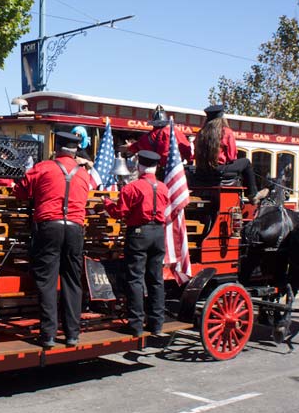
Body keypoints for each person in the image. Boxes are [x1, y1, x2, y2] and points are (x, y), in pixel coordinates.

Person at [14, 131, 92, 348]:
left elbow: (20, 191)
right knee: (72, 281)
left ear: (56, 148)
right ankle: (72, 334)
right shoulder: (84, 174)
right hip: (75, 228)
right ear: (75, 150)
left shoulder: (43, 167)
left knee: (47, 281)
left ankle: (48, 334)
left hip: (49, 226)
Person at [101, 150, 169, 337]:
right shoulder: (163, 188)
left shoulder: (133, 187)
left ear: (140, 166)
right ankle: (156, 323)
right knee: (156, 279)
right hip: (158, 234)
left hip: (139, 234)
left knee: (135, 278)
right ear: (155, 167)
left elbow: (119, 212)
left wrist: (106, 203)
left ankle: (136, 324)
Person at [193, 104, 263, 203]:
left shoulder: (201, 133)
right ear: (222, 117)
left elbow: (195, 154)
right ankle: (252, 194)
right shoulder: (226, 132)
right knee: (246, 162)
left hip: (202, 171)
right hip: (219, 170)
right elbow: (231, 157)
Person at [126, 105, 193, 169]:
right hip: (174, 170)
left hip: (156, 171)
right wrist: (190, 161)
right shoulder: (175, 132)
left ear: (153, 123)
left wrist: (129, 146)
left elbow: (135, 147)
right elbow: (186, 149)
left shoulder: (145, 138)